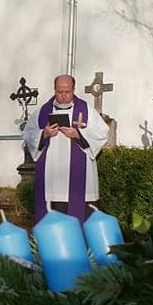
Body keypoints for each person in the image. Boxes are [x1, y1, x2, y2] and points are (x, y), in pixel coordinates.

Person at [22, 74, 109, 224]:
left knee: (80, 220)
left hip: (80, 180)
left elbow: (103, 133)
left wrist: (78, 133)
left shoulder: (86, 110)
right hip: (52, 180)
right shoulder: (43, 112)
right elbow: (28, 134)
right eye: (59, 91)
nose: (63, 96)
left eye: (67, 92)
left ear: (73, 90)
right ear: (54, 90)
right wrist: (44, 133)